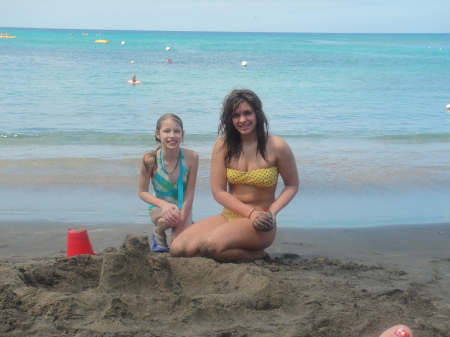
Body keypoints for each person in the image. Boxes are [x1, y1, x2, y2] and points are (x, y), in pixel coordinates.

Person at [170, 89, 299, 262]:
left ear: (257, 113)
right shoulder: (223, 146)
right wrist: (249, 212)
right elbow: (219, 192)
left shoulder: (277, 146)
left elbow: (291, 185)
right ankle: (231, 250)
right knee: (178, 249)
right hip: (229, 215)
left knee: (210, 245)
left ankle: (257, 254)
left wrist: (272, 212)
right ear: (230, 119)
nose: (242, 120)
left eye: (247, 113)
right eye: (236, 115)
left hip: (261, 221)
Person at [138, 113, 199, 252]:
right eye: (166, 131)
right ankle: (159, 231)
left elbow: (190, 193)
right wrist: (164, 205)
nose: (172, 135)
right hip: (159, 209)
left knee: (182, 249)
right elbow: (142, 192)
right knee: (174, 217)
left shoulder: (192, 157)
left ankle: (185, 227)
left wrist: (182, 220)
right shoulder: (150, 160)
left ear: (182, 134)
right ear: (158, 134)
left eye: (176, 131)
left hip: (183, 208)